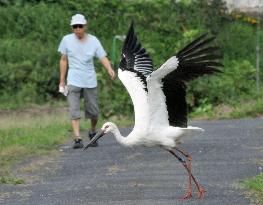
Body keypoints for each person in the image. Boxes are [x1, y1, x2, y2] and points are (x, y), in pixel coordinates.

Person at [58, 14, 116, 149]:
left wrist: (109, 69)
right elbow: (63, 60)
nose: (77, 29)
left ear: (85, 26)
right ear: (72, 27)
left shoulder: (93, 41)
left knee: (94, 111)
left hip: (89, 80)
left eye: (80, 26)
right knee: (74, 109)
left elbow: (102, 57)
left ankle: (92, 131)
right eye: (75, 26)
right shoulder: (66, 40)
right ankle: (77, 138)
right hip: (73, 80)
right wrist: (62, 80)